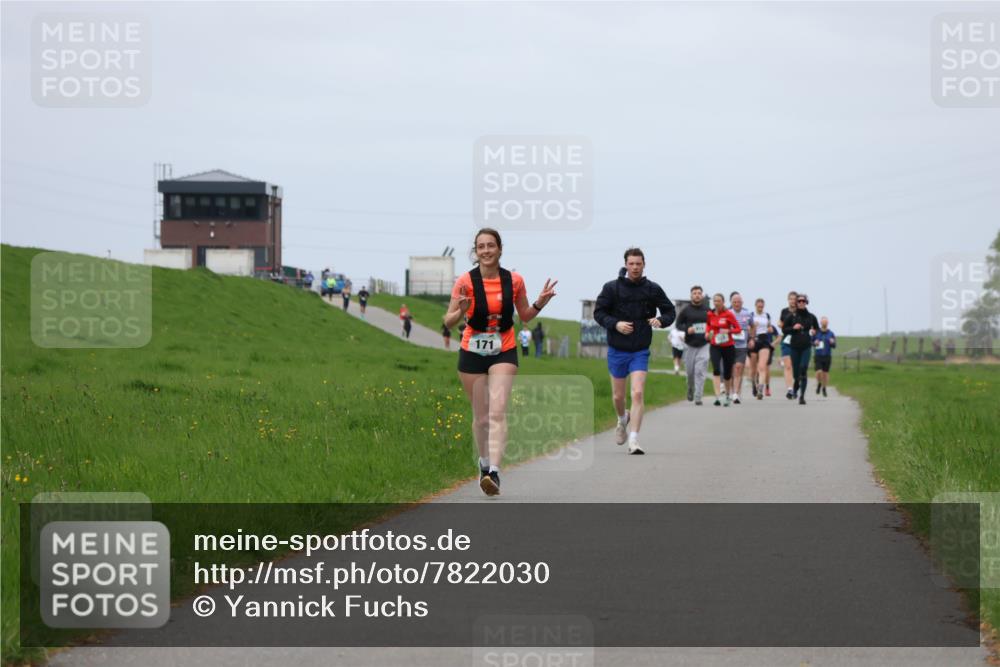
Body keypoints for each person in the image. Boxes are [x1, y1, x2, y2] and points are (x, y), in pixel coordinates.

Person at [443, 227, 557, 496]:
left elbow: (526, 315)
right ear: (475, 251)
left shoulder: (514, 280)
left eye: (490, 245)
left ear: (500, 249)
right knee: (481, 417)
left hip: (503, 347)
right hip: (472, 348)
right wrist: (459, 311)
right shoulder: (465, 282)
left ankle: (494, 471)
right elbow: (447, 321)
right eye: (480, 246)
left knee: (496, 412)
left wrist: (540, 303)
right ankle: (483, 464)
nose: (485, 251)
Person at [593, 247, 675, 455]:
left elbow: (670, 311)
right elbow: (599, 313)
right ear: (625, 265)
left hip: (640, 350)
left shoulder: (652, 289)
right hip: (617, 349)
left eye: (639, 264)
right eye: (631, 264)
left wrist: (661, 320)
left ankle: (634, 440)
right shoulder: (611, 288)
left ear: (644, 264)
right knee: (618, 397)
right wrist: (616, 324)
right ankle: (622, 419)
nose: (635, 267)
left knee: (637, 392)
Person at [674, 285, 711, 405]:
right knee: (690, 372)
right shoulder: (686, 310)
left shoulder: (707, 310)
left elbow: (713, 325)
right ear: (691, 296)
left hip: (704, 344)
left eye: (699, 293)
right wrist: (686, 329)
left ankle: (698, 396)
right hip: (690, 344)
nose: (697, 295)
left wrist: (710, 333)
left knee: (700, 370)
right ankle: (690, 388)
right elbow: (678, 325)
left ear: (702, 295)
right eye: (694, 293)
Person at [781, 293, 820, 405]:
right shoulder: (791, 316)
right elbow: (784, 329)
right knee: (795, 374)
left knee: (803, 370)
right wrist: (793, 328)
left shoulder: (811, 317)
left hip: (806, 346)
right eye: (799, 301)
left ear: (806, 302)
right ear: (796, 303)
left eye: (803, 301)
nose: (801, 303)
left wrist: (814, 332)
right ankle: (795, 386)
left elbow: (816, 329)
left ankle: (802, 396)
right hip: (794, 347)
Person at [706, 293, 742, 407]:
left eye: (718, 301)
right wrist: (708, 333)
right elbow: (708, 325)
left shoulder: (728, 314)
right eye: (715, 301)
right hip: (715, 345)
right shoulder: (710, 313)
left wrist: (728, 331)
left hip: (728, 346)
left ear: (723, 302)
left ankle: (727, 395)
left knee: (727, 373)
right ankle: (717, 396)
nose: (716, 303)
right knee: (716, 369)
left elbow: (738, 329)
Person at [747, 298, 778, 400]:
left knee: (762, 366)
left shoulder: (767, 315)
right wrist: (753, 327)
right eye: (758, 306)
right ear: (755, 306)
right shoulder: (751, 315)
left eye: (762, 306)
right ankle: (753, 384)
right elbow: (747, 329)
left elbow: (769, 327)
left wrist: (770, 329)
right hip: (753, 340)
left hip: (764, 340)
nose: (760, 308)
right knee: (753, 369)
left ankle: (760, 389)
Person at [728, 292, 753, 404]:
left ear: (742, 303)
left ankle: (736, 394)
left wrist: (752, 338)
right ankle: (733, 392)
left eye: (738, 302)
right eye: (734, 302)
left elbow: (752, 326)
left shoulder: (747, 314)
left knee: (738, 368)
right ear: (731, 303)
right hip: (729, 345)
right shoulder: (728, 313)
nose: (737, 304)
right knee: (732, 370)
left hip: (742, 346)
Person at [778, 291, 799, 399]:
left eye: (794, 299)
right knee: (788, 366)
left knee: (796, 367)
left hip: (798, 342)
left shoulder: (801, 312)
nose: (792, 301)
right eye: (790, 299)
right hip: (786, 341)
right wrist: (780, 324)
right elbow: (781, 323)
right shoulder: (784, 311)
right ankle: (790, 390)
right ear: (788, 300)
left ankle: (795, 387)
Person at [812, 316, 836, 396]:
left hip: (827, 356)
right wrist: (814, 343)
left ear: (828, 323)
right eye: (823, 322)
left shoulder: (831, 333)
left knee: (825, 373)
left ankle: (824, 388)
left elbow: (834, 346)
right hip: (818, 355)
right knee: (818, 372)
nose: (824, 323)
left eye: (826, 322)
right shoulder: (816, 332)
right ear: (820, 323)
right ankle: (819, 383)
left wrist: (832, 342)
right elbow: (811, 342)